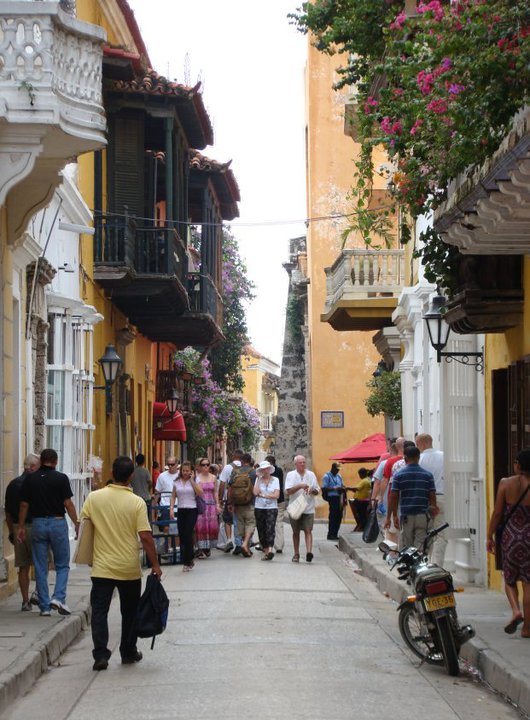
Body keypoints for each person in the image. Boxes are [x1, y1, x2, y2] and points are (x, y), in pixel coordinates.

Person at [79, 455, 161, 671]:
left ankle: (100, 655)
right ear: (131, 476)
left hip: (102, 566)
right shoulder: (136, 502)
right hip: (128, 568)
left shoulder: (94, 498)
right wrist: (155, 564)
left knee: (99, 611)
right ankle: (127, 651)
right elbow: (145, 536)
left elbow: (84, 526)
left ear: (112, 474)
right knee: (130, 612)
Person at [17, 448, 80, 616]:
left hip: (37, 523)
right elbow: (68, 503)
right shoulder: (61, 478)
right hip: (58, 523)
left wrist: (21, 526)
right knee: (62, 564)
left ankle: (44, 607)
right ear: (56, 461)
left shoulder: (31, 479)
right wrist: (77, 523)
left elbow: (24, 505)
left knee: (40, 565)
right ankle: (58, 597)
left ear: (41, 461)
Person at [487, 448, 530, 638]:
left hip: (511, 538)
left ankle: (515, 610)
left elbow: (497, 513)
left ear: (519, 465)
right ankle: (527, 629)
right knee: (528, 584)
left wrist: (489, 535)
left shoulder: (505, 483)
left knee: (510, 579)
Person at [4, 453, 40, 611]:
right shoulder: (37, 483)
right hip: (34, 526)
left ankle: (25, 601)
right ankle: (39, 595)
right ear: (32, 466)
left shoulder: (12, 484)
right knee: (40, 565)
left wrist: (13, 530)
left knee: (23, 567)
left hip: (18, 527)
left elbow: (7, 512)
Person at [385, 445, 437, 550]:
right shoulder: (428, 475)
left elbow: (393, 497)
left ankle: (408, 565)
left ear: (405, 459)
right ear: (418, 458)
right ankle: (418, 565)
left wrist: (391, 516)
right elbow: (432, 494)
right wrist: (432, 510)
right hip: (423, 515)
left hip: (406, 516)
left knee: (407, 546)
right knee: (420, 545)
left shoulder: (399, 475)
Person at [169, 461, 203, 571]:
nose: (185, 473)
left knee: (188, 533)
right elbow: (173, 496)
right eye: (183, 470)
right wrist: (171, 509)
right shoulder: (177, 482)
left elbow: (200, 493)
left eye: (187, 471)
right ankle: (188, 559)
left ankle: (188, 561)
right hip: (181, 509)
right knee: (182, 535)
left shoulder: (195, 480)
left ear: (191, 471)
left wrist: (192, 480)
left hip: (192, 509)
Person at [285, 455, 320, 563]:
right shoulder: (291, 475)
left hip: (308, 507)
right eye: (300, 462)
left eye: (304, 462)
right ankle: (296, 553)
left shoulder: (311, 474)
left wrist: (312, 490)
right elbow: (288, 491)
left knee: (308, 530)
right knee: (295, 532)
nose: (303, 464)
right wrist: (300, 486)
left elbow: (317, 490)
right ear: (295, 464)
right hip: (295, 508)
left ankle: (309, 552)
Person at [227, 453, 256, 558]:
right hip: (250, 503)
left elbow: (230, 489)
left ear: (242, 461)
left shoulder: (235, 472)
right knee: (250, 524)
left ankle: (242, 545)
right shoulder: (253, 473)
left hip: (237, 504)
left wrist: (230, 503)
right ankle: (245, 544)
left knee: (240, 525)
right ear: (250, 461)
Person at [253, 460, 280, 560]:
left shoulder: (275, 480)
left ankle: (270, 549)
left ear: (270, 469)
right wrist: (258, 479)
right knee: (261, 529)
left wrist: (263, 495)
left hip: (272, 508)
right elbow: (255, 493)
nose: (265, 470)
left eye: (267, 468)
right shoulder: (258, 480)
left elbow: (276, 495)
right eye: (263, 469)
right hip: (259, 507)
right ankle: (265, 551)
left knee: (270, 528)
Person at [194, 458, 220, 558]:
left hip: (211, 504)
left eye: (207, 465)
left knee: (212, 526)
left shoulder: (213, 477)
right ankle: (200, 548)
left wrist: (217, 504)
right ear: (200, 466)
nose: (205, 467)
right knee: (200, 527)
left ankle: (207, 547)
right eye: (203, 465)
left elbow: (215, 492)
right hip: (201, 504)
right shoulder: (197, 478)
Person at [218, 449, 243, 554]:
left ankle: (229, 540)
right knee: (240, 520)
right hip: (242, 498)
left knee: (228, 520)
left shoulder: (228, 467)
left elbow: (222, 484)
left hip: (230, 497)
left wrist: (220, 498)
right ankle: (240, 542)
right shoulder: (245, 467)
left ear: (233, 456)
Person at [266, 455, 285, 553]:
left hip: (270, 500)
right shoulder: (280, 471)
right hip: (280, 500)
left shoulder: (267, 472)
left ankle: (265, 544)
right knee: (279, 523)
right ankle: (279, 546)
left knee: (268, 523)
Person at [154, 456, 179, 531]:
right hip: (165, 506)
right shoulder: (162, 476)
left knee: (177, 529)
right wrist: (156, 507)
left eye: (172, 464)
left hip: (178, 506)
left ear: (177, 464)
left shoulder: (181, 475)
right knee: (166, 528)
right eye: (169, 464)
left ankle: (175, 543)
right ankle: (167, 542)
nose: (170, 466)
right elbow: (157, 492)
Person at [322, 462, 344, 540]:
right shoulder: (327, 476)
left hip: (339, 497)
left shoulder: (339, 476)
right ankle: (330, 534)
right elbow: (324, 488)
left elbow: (342, 485)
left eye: (338, 470)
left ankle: (335, 533)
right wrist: (335, 488)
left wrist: (343, 488)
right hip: (332, 498)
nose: (338, 471)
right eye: (336, 469)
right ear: (333, 468)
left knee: (339, 516)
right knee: (333, 516)